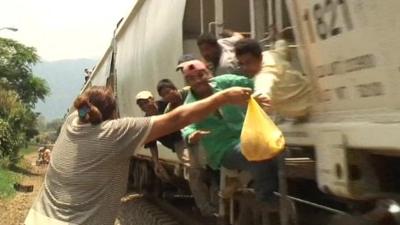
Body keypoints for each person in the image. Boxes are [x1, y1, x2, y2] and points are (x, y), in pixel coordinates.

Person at [25, 86, 251, 225]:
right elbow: (176, 119)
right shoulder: (114, 132)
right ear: (113, 114)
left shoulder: (71, 123)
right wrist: (223, 97)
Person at [180, 60, 279, 205]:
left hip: (246, 136)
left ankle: (242, 181)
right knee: (257, 153)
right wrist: (192, 135)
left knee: (278, 148)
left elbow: (251, 83)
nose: (198, 81)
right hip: (222, 148)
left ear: (209, 73)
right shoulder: (190, 104)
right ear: (187, 82)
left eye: (201, 75)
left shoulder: (225, 83)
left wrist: (259, 93)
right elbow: (187, 126)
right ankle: (265, 197)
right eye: (191, 79)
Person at [234, 38, 312, 118]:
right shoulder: (272, 55)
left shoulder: (266, 74)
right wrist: (280, 40)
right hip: (308, 98)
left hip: (310, 111)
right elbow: (282, 47)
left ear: (260, 57)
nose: (245, 67)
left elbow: (263, 89)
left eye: (248, 62)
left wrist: (259, 98)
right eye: (241, 63)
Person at [135, 90, 178, 180]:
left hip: (184, 139)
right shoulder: (147, 123)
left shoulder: (166, 104)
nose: (145, 106)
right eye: (141, 105)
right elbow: (152, 144)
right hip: (175, 146)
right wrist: (156, 163)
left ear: (152, 99)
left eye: (146, 102)